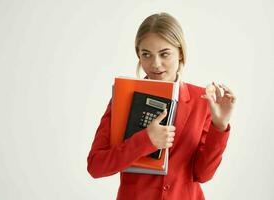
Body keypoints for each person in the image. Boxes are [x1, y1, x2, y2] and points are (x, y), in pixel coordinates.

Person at [87, 12, 236, 200]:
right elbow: (96, 166)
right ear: (138, 56)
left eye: (164, 54)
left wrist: (220, 126)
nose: (155, 64)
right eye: (146, 54)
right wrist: (146, 140)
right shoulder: (122, 98)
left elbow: (203, 175)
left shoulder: (202, 100)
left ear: (180, 52)